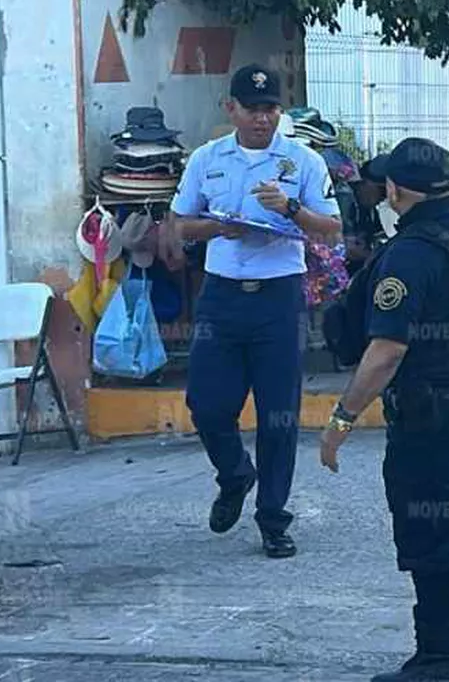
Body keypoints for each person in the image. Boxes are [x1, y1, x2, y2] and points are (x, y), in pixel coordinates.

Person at [320, 137, 449, 681]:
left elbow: (386, 350)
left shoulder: (412, 253)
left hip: (434, 417)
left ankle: (439, 660)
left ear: (395, 190)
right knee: (439, 521)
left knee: (423, 534)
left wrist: (341, 419)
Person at [170, 63, 342, 558]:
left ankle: (273, 518)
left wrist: (289, 209)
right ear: (232, 109)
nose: (262, 119)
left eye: (270, 109)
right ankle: (234, 475)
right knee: (206, 403)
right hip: (222, 295)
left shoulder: (303, 161)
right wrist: (219, 229)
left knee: (278, 416)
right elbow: (181, 224)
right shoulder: (207, 159)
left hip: (279, 296)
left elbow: (330, 228)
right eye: (252, 109)